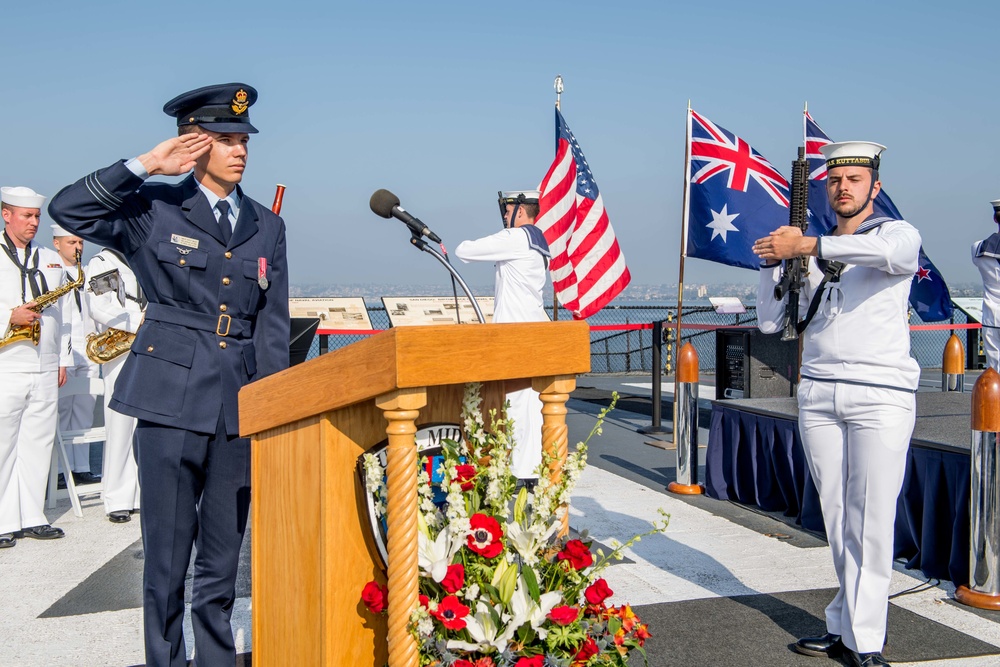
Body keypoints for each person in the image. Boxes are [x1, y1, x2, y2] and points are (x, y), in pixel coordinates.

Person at [48, 82, 290, 666]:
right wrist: (147, 164)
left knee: (222, 558)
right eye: (228, 140)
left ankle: (212, 658)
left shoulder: (267, 225)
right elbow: (68, 209)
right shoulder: (151, 209)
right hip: (169, 397)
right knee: (165, 559)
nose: (241, 151)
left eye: (244, 141)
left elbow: (273, 325)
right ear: (195, 143)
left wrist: (274, 405)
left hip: (238, 405)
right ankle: (165, 660)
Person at [753, 142, 920, 667]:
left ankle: (864, 641)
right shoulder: (809, 250)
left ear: (874, 186)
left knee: (870, 518)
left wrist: (806, 247)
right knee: (837, 516)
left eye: (854, 178)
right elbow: (766, 322)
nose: (843, 187)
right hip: (820, 391)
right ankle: (845, 622)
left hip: (880, 393)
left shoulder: (895, 232)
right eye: (835, 180)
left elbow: (892, 258)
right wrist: (771, 265)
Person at [455, 190, 550, 482]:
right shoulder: (539, 241)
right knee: (531, 408)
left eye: (508, 210)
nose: (505, 215)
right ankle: (532, 472)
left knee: (518, 408)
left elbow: (464, 251)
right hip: (534, 331)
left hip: (515, 335)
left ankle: (524, 476)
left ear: (520, 211)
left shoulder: (516, 238)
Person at [0, 186, 71, 548]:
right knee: (3, 443)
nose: (33, 222)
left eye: (37, 216)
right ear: (6, 214)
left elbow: (60, 314)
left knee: (38, 441)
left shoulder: (49, 258)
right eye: (26, 216)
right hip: (7, 363)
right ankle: (2, 519)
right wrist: (8, 315)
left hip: (43, 361)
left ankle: (32, 515)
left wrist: (60, 359)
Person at [85, 246, 144, 522]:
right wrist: (138, 321)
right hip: (121, 344)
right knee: (120, 423)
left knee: (143, 425)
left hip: (147, 342)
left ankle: (139, 493)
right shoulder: (102, 262)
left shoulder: (143, 255)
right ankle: (117, 497)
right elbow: (100, 307)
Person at [51, 224, 102, 486]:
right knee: (61, 410)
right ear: (56, 243)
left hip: (89, 346)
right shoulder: (51, 271)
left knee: (84, 408)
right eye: (71, 243)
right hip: (63, 348)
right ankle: (59, 470)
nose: (78, 248)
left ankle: (80, 466)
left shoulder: (87, 271)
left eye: (80, 243)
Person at [972, 199, 1000, 371]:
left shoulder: (978, 249)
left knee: (995, 368)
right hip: (991, 317)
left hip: (992, 315)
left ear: (995, 219)